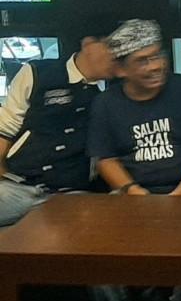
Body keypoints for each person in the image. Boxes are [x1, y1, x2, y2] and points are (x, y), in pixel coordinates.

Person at [87, 19, 181, 196]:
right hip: (132, 194)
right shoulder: (105, 103)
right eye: (142, 61)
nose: (156, 66)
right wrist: (133, 190)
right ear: (120, 69)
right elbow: (105, 160)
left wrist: (179, 195)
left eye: (157, 56)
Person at [0, 35, 114, 227]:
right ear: (88, 44)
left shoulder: (112, 94)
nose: (117, 55)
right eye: (111, 47)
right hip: (19, 185)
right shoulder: (37, 73)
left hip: (73, 193)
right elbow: (6, 127)